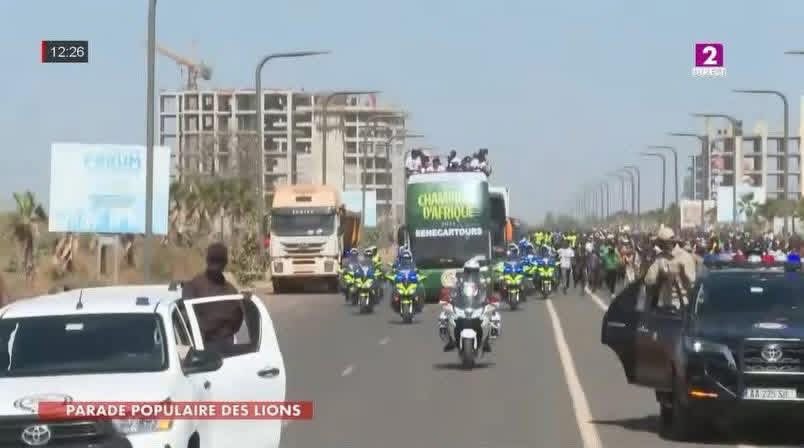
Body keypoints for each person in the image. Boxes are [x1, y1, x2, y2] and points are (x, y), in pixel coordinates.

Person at [182, 242, 242, 351]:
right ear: (226, 263)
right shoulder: (231, 291)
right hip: (203, 348)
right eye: (215, 261)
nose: (216, 266)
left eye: (217, 261)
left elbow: (237, 321)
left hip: (218, 347)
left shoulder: (193, 286)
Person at [439, 259, 501, 352]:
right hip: (462, 306)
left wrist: (492, 299)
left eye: (474, 271)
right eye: (468, 271)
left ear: (478, 271)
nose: (471, 273)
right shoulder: (458, 282)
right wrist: (447, 298)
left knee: (495, 317)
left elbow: (488, 294)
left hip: (477, 306)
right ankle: (449, 341)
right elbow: (451, 292)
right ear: (464, 271)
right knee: (443, 316)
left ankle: (487, 341)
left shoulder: (483, 282)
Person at [644, 227, 697, 310]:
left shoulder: (686, 257)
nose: (659, 245)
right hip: (664, 305)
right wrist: (660, 275)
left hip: (682, 306)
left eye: (661, 242)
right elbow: (648, 280)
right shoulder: (659, 258)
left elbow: (692, 285)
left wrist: (681, 274)